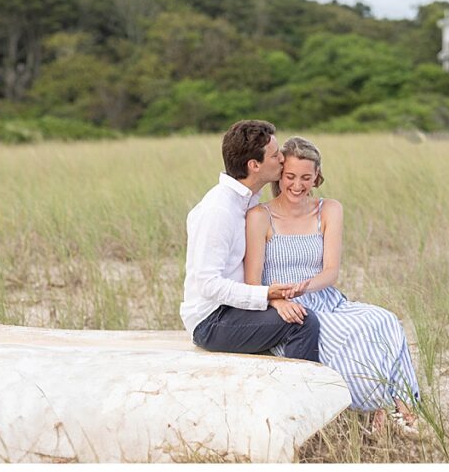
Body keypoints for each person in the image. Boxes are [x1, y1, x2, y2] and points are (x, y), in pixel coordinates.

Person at [244, 136, 421, 436]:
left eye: (306, 178)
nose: (297, 185)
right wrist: (277, 301)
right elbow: (252, 280)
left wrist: (306, 285)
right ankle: (378, 407)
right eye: (290, 177)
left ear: (317, 177)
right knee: (345, 335)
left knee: (384, 320)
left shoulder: (329, 209)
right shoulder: (260, 216)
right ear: (280, 175)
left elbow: (330, 272)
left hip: (325, 298)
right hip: (285, 307)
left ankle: (404, 411)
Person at [180, 120, 320, 362]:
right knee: (302, 322)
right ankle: (300, 394)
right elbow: (208, 284)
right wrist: (266, 295)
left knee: (297, 311)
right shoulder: (218, 210)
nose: (282, 159)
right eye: (276, 155)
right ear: (254, 165)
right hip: (212, 320)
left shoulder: (247, 200)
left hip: (233, 309)